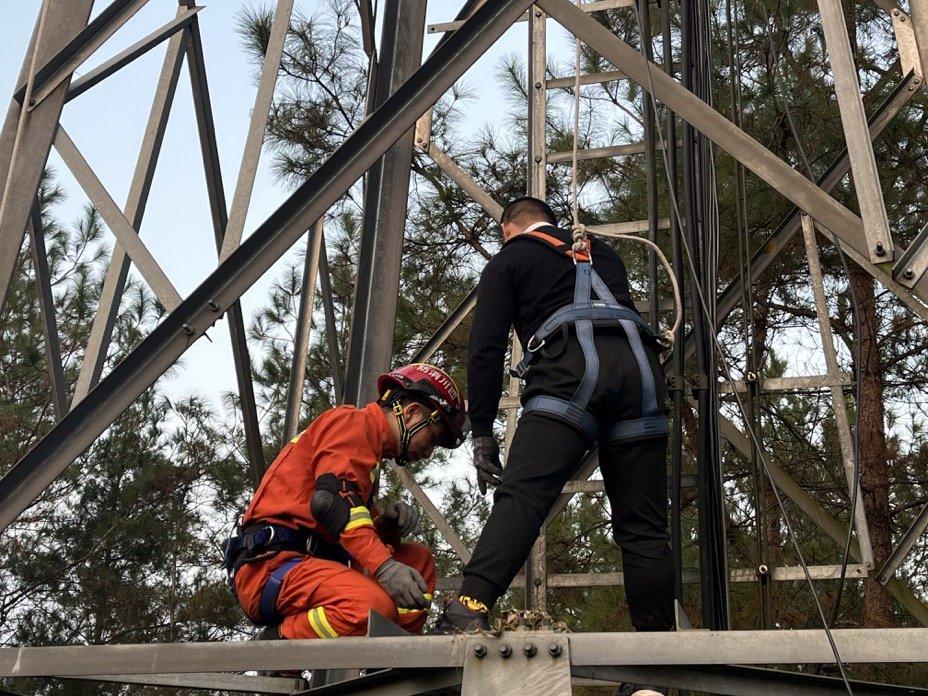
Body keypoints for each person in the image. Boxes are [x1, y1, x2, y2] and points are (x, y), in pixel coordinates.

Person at [435, 196, 675, 640]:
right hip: (640, 376)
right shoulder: (603, 252)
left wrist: (483, 431)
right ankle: (654, 650)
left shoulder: (509, 260)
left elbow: (485, 349)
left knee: (524, 495)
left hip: (570, 375)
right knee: (644, 528)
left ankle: (470, 606)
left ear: (508, 228)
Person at [223, 363, 466, 639]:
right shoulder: (354, 422)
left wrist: (385, 526)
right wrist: (385, 568)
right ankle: (278, 641)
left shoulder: (368, 448)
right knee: (371, 608)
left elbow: (345, 521)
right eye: (432, 438)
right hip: (274, 566)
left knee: (417, 560)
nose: (429, 452)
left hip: (310, 564)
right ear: (410, 413)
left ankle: (390, 657)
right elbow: (331, 504)